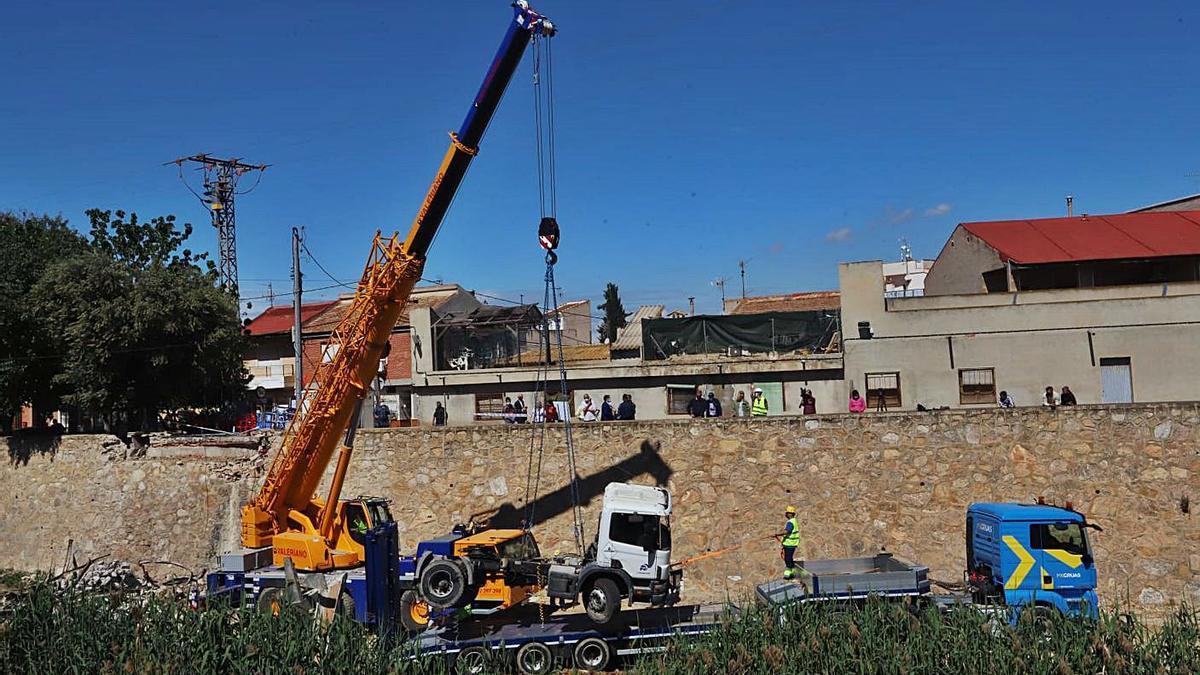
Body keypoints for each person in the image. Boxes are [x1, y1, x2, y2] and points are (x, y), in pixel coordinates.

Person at [777, 505, 802, 580]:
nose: (786, 514)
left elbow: (787, 531)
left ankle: (790, 572)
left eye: (787, 512)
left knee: (788, 558)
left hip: (790, 544)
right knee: (789, 558)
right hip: (792, 543)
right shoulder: (794, 521)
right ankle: (792, 571)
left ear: (790, 514)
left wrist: (778, 534)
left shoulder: (790, 522)